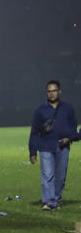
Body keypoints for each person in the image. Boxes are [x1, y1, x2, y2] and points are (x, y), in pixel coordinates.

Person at [28, 81, 80, 209]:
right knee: (47, 174)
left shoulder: (68, 109)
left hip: (63, 147)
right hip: (45, 146)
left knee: (60, 177)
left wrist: (69, 139)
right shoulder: (40, 110)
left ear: (59, 91)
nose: (51, 94)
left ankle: (56, 199)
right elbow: (34, 132)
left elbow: (74, 129)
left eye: (54, 90)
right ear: (47, 93)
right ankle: (49, 201)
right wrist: (33, 152)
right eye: (49, 91)